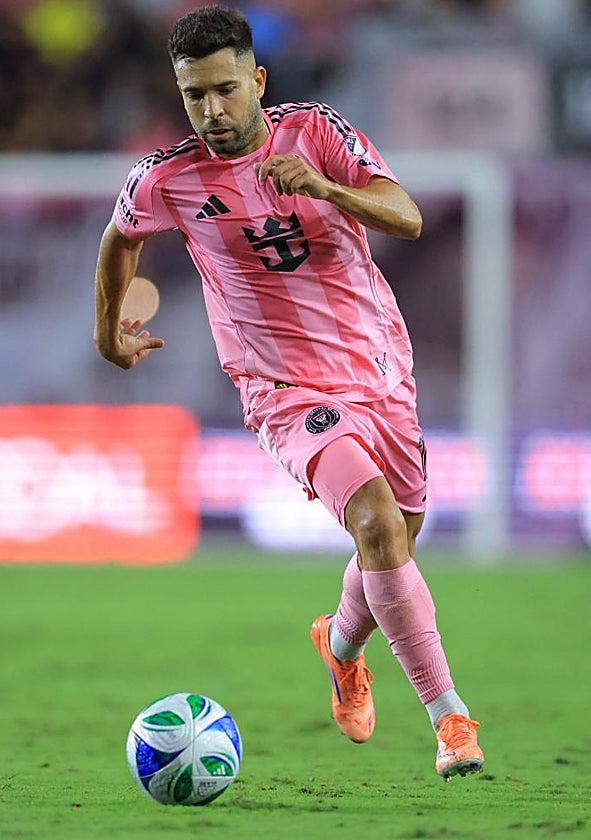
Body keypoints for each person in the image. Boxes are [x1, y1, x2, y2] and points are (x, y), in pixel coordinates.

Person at [93, 5, 484, 779]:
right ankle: (451, 722)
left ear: (258, 80)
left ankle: (340, 647)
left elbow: (405, 216)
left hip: (379, 368)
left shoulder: (316, 134)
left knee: (395, 540)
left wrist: (326, 188)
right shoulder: (166, 178)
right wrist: (108, 334)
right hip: (282, 388)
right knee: (376, 522)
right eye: (195, 95)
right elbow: (120, 240)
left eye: (225, 89)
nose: (212, 110)